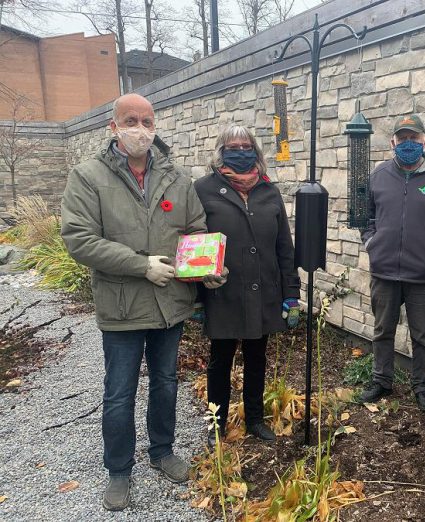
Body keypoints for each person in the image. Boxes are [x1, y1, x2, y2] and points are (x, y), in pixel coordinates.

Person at [61, 93, 213, 511]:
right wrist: (140, 265)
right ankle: (119, 469)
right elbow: (80, 239)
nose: (140, 130)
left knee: (165, 382)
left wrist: (207, 266)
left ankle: (162, 451)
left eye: (147, 122)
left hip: (169, 302)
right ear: (113, 127)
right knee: (120, 390)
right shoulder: (88, 176)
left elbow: (196, 231)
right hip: (124, 303)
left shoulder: (176, 178)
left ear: (155, 127)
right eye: (131, 121)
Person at [194, 125, 301, 446]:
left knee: (257, 357)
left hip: (264, 290)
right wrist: (197, 296)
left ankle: (255, 419)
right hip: (222, 292)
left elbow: (285, 246)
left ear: (255, 151)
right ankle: (217, 423)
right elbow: (194, 241)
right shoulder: (203, 189)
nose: (240, 152)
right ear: (220, 151)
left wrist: (291, 294)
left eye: (246, 146)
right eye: (232, 147)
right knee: (220, 360)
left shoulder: (269, 190)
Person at [359, 114, 425, 412]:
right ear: (393, 142)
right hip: (384, 271)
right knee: (382, 330)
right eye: (403, 139)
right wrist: (371, 241)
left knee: (422, 336)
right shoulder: (379, 174)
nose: (408, 144)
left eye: (414, 138)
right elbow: (366, 215)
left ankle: (422, 385)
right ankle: (381, 380)